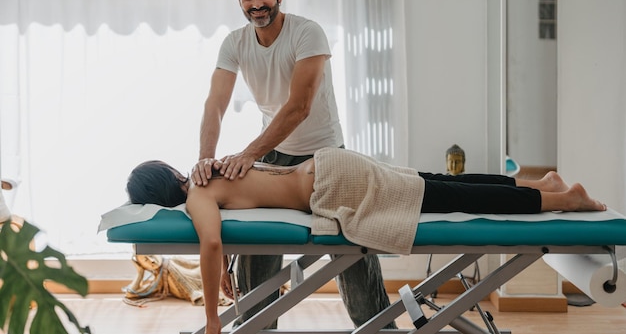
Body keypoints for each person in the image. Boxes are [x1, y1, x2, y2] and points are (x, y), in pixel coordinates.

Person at [126, 147, 606, 334]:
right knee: (437, 185)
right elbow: (231, 232)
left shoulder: (198, 194)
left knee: (442, 194)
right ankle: (545, 187)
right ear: (168, 172)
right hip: (328, 167)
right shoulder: (208, 174)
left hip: (333, 186)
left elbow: (210, 243)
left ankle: (566, 200)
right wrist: (232, 276)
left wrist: (212, 320)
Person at [189, 0, 390, 329]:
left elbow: (299, 106)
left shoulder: (307, 32)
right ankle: (257, 327)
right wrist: (205, 159)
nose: (257, 4)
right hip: (273, 154)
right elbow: (215, 104)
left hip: (325, 154)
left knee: (350, 250)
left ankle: (378, 327)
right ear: (239, 1)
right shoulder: (235, 43)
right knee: (256, 251)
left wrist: (248, 154)